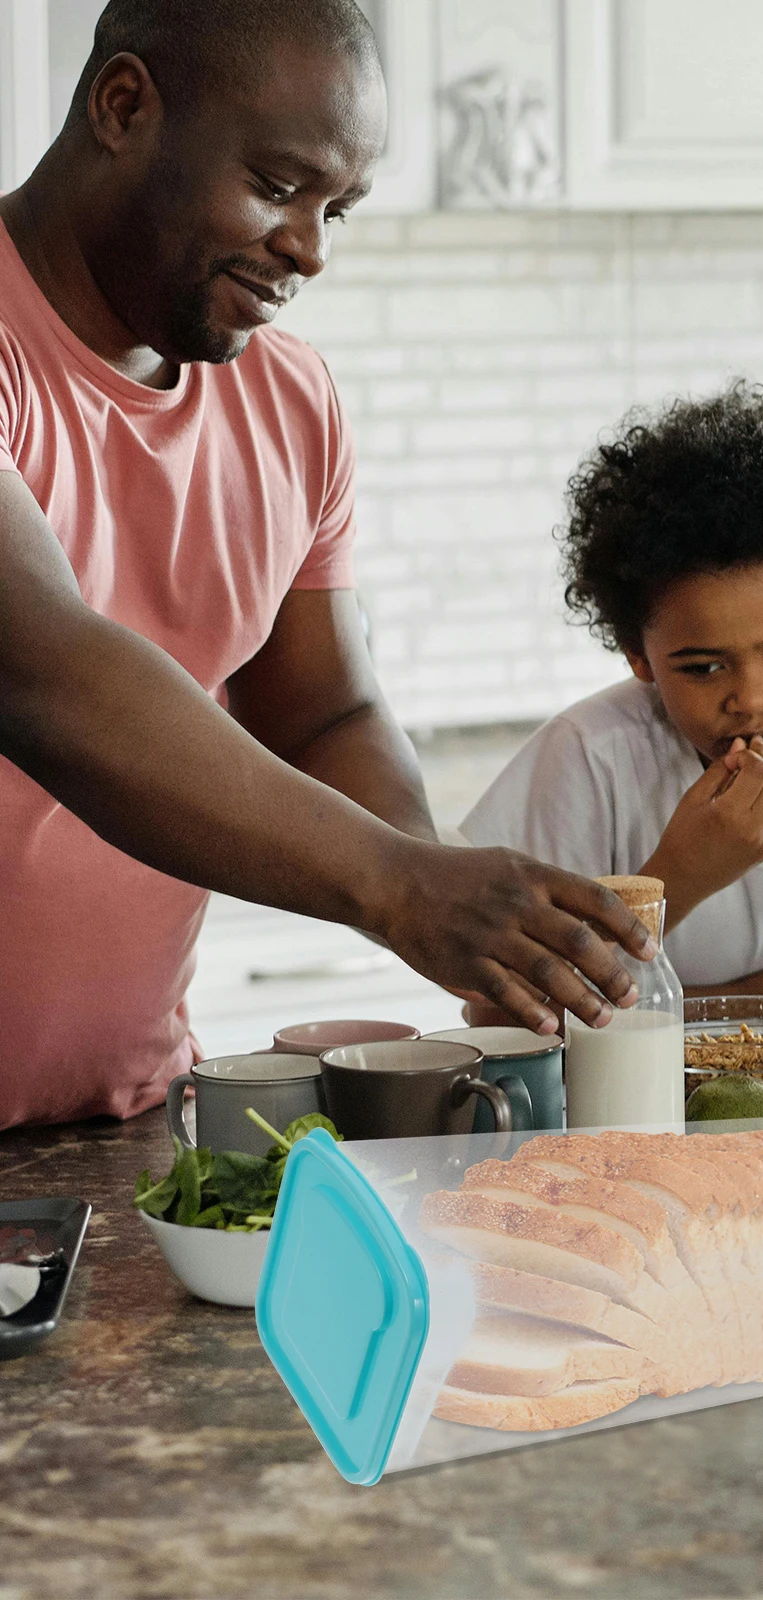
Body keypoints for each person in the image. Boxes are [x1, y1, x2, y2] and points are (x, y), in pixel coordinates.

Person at [0, 0, 650, 1131]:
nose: (310, 247)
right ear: (122, 106)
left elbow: (324, 713)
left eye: (336, 207)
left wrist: (463, 925)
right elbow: (40, 671)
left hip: (125, 1123)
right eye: (276, 185)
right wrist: (397, 888)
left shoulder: (285, 397)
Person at [461, 383, 763, 1006]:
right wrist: (681, 875)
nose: (750, 699)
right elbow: (498, 1009)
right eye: (702, 668)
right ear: (637, 654)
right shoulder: (589, 759)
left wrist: (664, 1016)